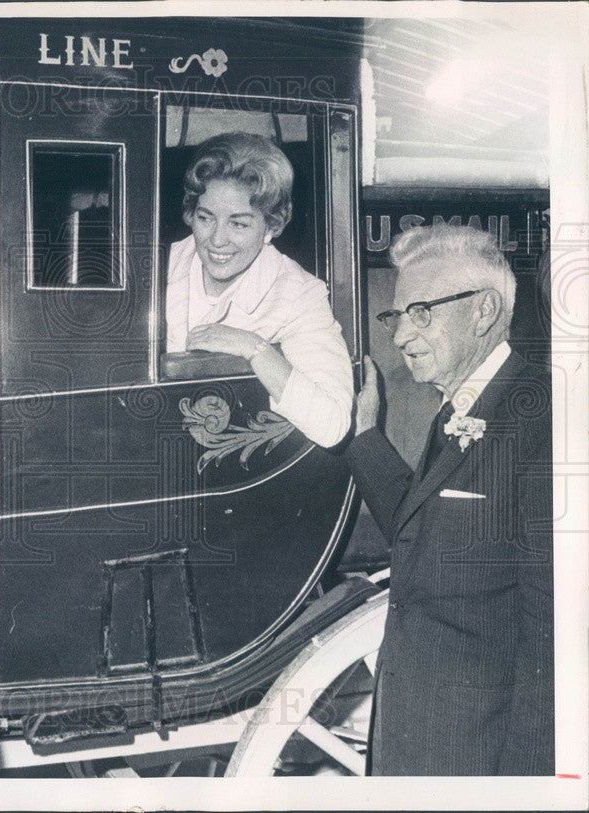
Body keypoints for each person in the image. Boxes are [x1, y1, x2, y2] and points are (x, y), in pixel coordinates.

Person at [347, 224, 553, 775]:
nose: (398, 336)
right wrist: (365, 437)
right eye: (396, 317)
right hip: (419, 747)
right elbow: (427, 539)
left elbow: (552, 638)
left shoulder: (545, 415)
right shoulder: (458, 410)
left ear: (483, 310)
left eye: (421, 312)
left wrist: (525, 791)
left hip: (479, 764)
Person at [165, 131, 353, 448]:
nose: (217, 240)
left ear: (271, 227)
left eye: (239, 223)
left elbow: (332, 424)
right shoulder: (159, 265)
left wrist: (256, 349)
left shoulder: (300, 295)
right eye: (205, 217)